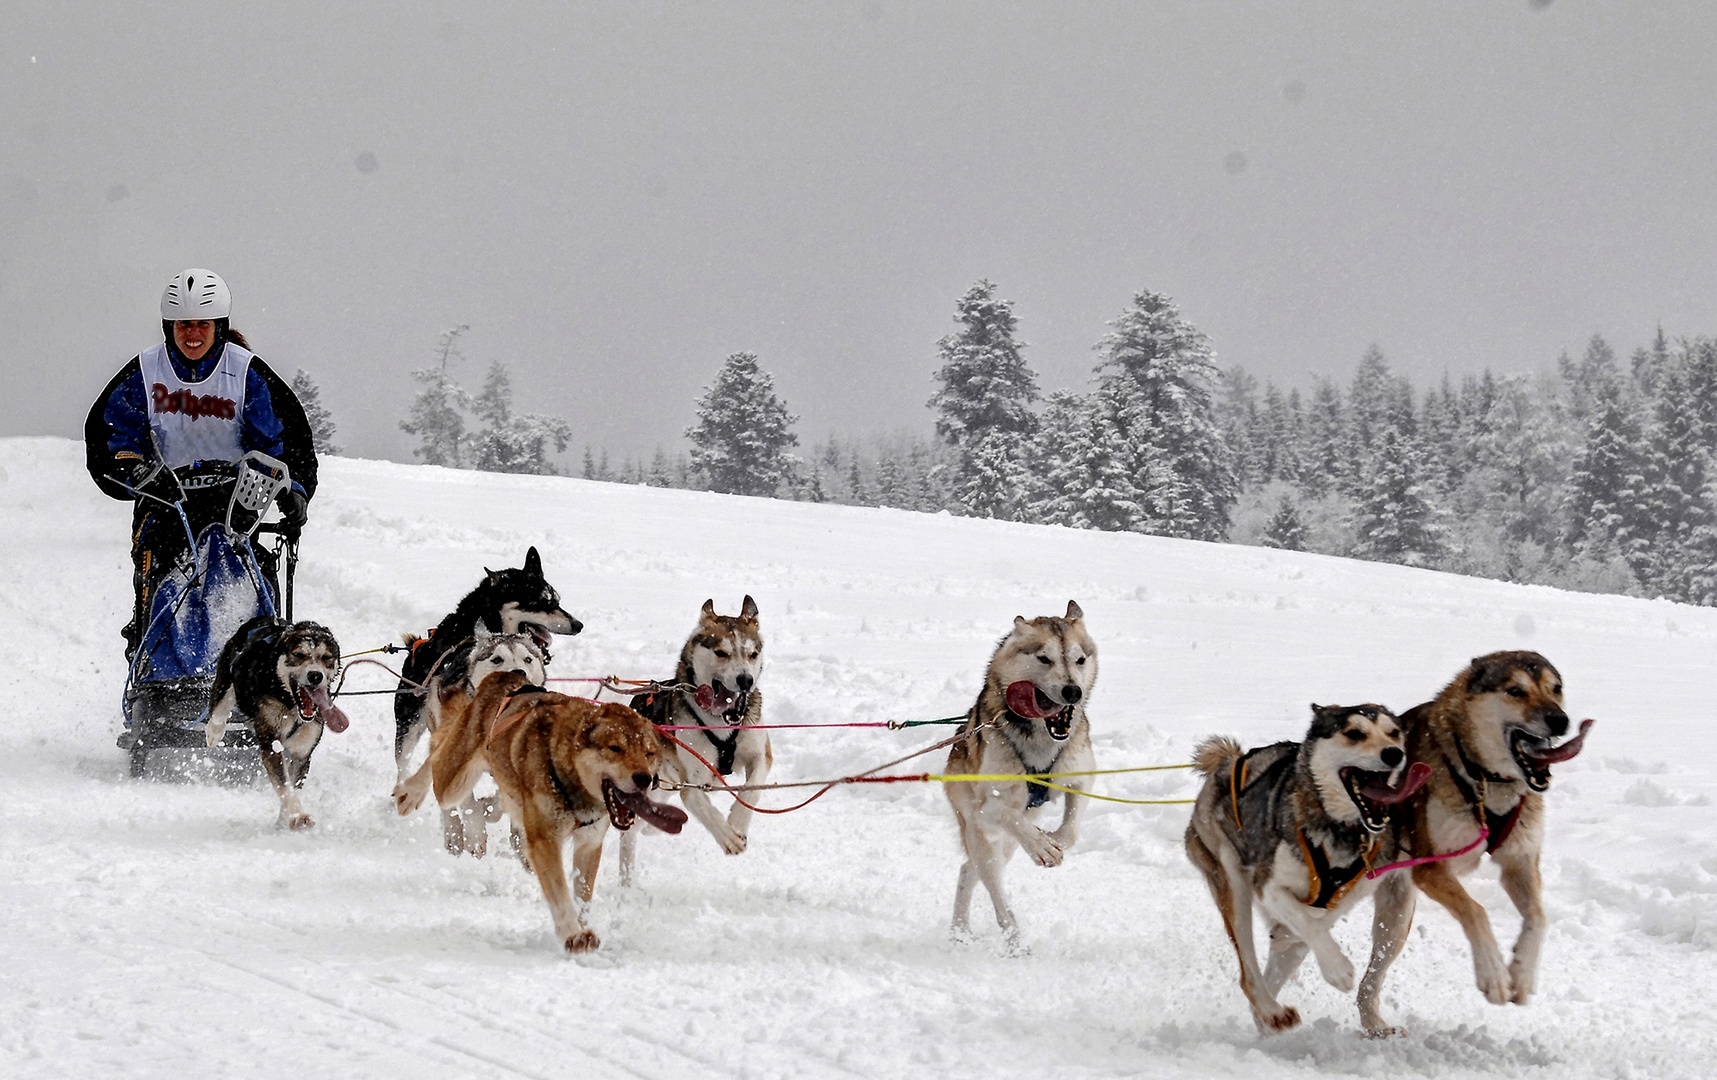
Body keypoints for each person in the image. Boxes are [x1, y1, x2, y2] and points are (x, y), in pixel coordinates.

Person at [84, 269, 319, 660]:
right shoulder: (145, 372)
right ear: (168, 327)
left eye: (202, 325)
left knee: (244, 576)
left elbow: (284, 441)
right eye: (184, 325)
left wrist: (293, 491)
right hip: (163, 497)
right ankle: (154, 665)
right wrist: (136, 470)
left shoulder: (246, 373)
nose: (193, 335)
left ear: (219, 326)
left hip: (234, 501)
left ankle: (252, 668)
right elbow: (111, 434)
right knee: (160, 578)